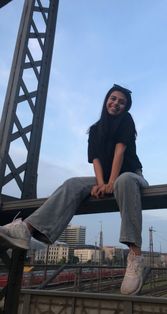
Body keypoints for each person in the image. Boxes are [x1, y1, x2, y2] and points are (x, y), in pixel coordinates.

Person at [0, 84, 149, 295]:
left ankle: (135, 256)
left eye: (121, 102)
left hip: (131, 176)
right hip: (106, 178)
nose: (116, 103)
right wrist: (100, 183)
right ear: (107, 99)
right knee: (73, 184)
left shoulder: (126, 120)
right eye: (113, 98)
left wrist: (110, 182)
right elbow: (96, 160)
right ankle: (26, 229)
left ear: (126, 107)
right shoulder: (96, 129)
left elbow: (120, 152)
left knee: (123, 181)